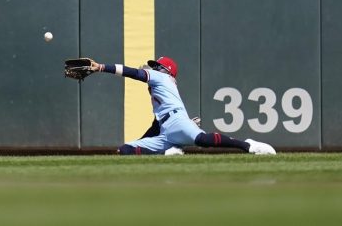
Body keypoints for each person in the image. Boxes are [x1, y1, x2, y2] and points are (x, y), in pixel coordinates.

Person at [90, 56, 276, 156]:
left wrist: (101, 67)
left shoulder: (162, 77)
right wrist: (140, 143)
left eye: (157, 66)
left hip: (176, 120)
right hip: (165, 129)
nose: (154, 68)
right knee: (125, 150)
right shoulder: (159, 93)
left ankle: (248, 145)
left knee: (203, 140)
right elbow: (154, 129)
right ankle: (170, 150)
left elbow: (134, 73)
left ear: (166, 71)